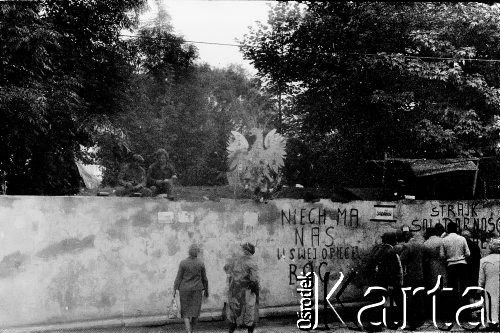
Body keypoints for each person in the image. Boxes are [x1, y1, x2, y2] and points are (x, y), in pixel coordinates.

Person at [367, 232, 403, 330]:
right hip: (387, 281)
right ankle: (383, 323)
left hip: (378, 280)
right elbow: (391, 269)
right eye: (395, 239)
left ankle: (379, 323)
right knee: (389, 302)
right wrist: (391, 283)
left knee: (381, 302)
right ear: (392, 240)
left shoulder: (379, 249)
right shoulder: (390, 251)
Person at [224, 243, 259, 333]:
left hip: (235, 288)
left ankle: (231, 329)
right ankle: (249, 330)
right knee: (250, 309)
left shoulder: (235, 260)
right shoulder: (252, 263)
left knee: (235, 309)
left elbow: (226, 268)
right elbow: (254, 279)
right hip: (248, 288)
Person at [173, 244, 209, 333]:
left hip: (184, 290)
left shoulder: (183, 263)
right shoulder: (201, 263)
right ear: (197, 253)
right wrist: (206, 290)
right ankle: (191, 331)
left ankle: (189, 332)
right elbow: (204, 278)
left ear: (189, 252)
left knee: (185, 313)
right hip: (197, 290)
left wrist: (174, 289)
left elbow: (178, 277)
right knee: (195, 313)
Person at [440, 222, 470, 320]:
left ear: (448, 229)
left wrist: (450, 257)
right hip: (462, 264)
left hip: (451, 265)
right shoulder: (462, 239)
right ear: (456, 229)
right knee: (463, 288)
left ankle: (451, 314)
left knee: (451, 289)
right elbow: (468, 253)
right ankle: (465, 314)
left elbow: (442, 255)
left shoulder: (444, 240)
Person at [400, 231, 425, 329]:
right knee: (418, 298)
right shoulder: (420, 245)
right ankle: (419, 320)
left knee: (409, 299)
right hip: (420, 275)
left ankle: (411, 322)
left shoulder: (407, 246)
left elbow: (402, 259)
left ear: (406, 237)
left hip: (410, 275)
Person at [478, 238, 500, 329]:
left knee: (490, 301)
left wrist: (480, 287)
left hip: (489, 283)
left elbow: (481, 277)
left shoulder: (484, 260)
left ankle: (491, 321)